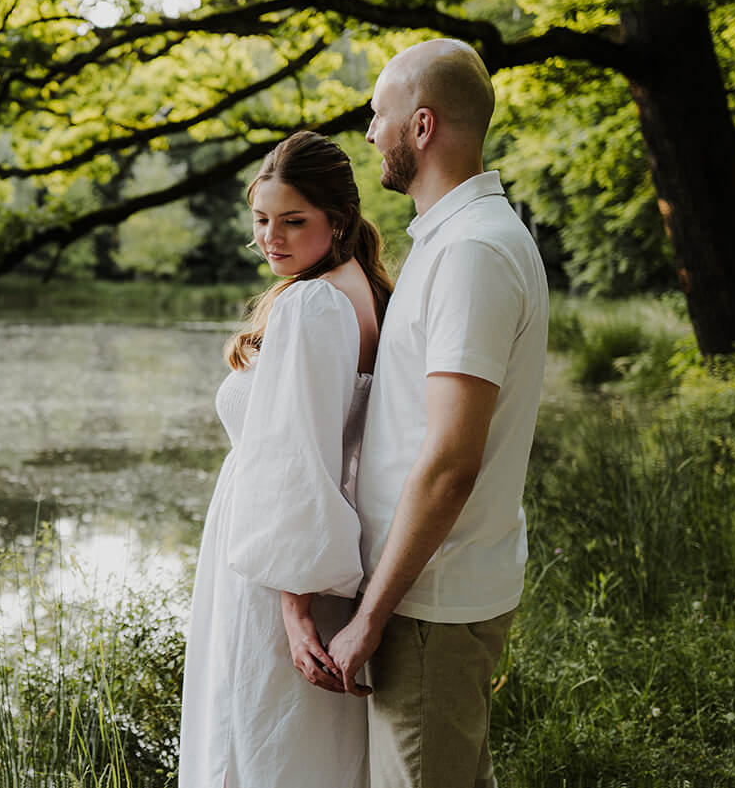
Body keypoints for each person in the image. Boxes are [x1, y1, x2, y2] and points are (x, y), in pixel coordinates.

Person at [326, 39, 549, 788]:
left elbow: (452, 460)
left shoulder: (472, 253)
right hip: (426, 595)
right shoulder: (451, 240)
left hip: (429, 605)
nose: (369, 133)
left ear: (421, 127)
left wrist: (372, 614)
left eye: (378, 114)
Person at [178, 130, 393, 788]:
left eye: (294, 221)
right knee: (301, 747)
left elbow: (301, 462)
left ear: (338, 218)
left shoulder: (314, 303)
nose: (272, 237)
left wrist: (294, 613)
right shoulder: (360, 287)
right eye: (262, 219)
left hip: (280, 574)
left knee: (260, 740)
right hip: (301, 556)